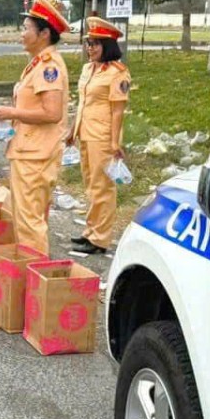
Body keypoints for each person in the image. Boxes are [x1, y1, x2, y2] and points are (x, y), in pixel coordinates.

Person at [0, 0, 71, 256]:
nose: (21, 34)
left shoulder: (49, 67)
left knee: (30, 223)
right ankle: (28, 279)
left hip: (36, 154)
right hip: (29, 150)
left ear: (44, 33)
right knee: (24, 218)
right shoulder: (37, 64)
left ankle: (34, 281)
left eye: (26, 29)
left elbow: (52, 112)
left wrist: (11, 111)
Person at [68, 17, 131, 254]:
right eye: (88, 43)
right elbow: (83, 102)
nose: (90, 48)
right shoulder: (88, 69)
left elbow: (117, 111)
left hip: (102, 136)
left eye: (95, 44)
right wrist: (72, 129)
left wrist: (115, 142)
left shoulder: (118, 73)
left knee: (102, 187)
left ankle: (100, 239)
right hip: (84, 132)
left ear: (108, 46)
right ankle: (90, 231)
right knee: (90, 185)